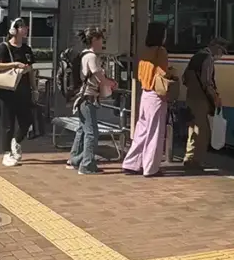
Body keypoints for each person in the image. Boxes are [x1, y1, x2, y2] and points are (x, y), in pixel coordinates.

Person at [122, 22, 176, 177]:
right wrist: (172, 73)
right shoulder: (161, 51)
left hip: (145, 93)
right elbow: (162, 73)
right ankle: (151, 168)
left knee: (142, 130)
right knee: (155, 132)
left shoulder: (144, 51)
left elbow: (141, 73)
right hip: (156, 95)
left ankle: (131, 163)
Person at [67, 28, 117, 174]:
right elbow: (99, 76)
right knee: (91, 133)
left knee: (83, 130)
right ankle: (87, 164)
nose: (103, 43)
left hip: (82, 97)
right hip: (88, 97)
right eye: (101, 40)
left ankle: (75, 160)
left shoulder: (83, 54)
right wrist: (111, 83)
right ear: (94, 40)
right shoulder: (92, 57)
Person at [0, 18, 35, 167]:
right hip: (8, 92)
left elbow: (31, 70)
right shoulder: (4, 47)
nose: (26, 29)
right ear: (14, 30)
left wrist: (35, 89)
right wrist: (15, 64)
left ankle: (16, 141)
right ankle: (6, 154)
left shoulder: (27, 49)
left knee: (27, 121)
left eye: (26, 27)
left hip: (24, 91)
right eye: (23, 27)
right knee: (8, 124)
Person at [182, 36, 228, 168]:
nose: (221, 55)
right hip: (201, 98)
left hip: (191, 96)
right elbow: (207, 82)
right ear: (217, 47)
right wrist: (215, 97)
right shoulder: (208, 58)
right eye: (222, 52)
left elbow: (184, 78)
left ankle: (189, 157)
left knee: (193, 128)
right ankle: (196, 161)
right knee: (203, 131)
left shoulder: (197, 56)